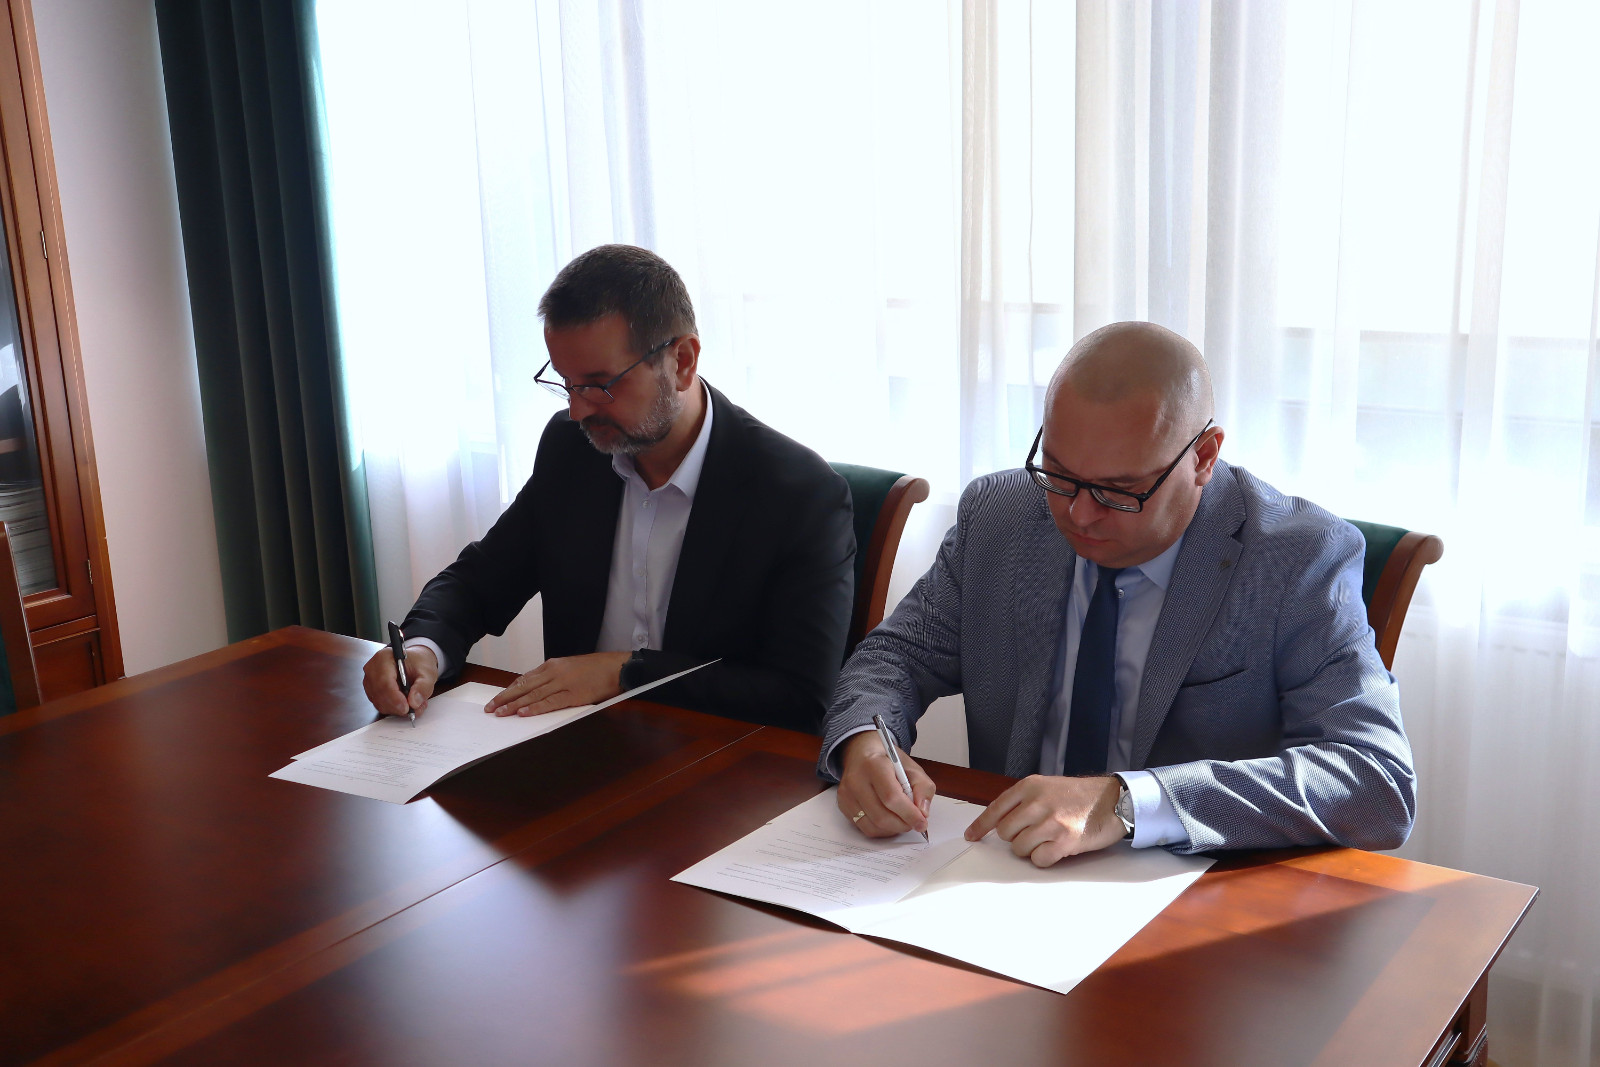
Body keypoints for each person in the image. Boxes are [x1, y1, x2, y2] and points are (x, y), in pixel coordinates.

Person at [821, 321, 1415, 863]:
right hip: (1009, 870)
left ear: (1203, 457)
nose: (1079, 514)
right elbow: (895, 658)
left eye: (1119, 491)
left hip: (1194, 894)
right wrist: (866, 742)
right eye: (1059, 474)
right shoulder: (1001, 515)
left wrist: (1127, 802)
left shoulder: (1296, 558)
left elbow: (1374, 779)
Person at [362, 244, 855, 732]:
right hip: (578, 744)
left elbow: (801, 698)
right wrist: (421, 649)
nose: (577, 410)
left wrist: (626, 673)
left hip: (717, 760)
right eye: (565, 382)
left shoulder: (798, 494)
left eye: (599, 384)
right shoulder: (572, 450)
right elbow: (479, 581)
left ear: (682, 361)